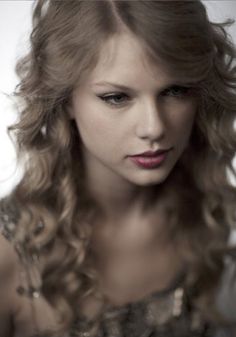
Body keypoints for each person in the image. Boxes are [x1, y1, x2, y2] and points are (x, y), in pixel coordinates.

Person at [0, 0, 236, 336]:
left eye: (175, 90)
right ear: (65, 99)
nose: (153, 127)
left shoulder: (211, 214)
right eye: (116, 98)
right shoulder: (8, 253)